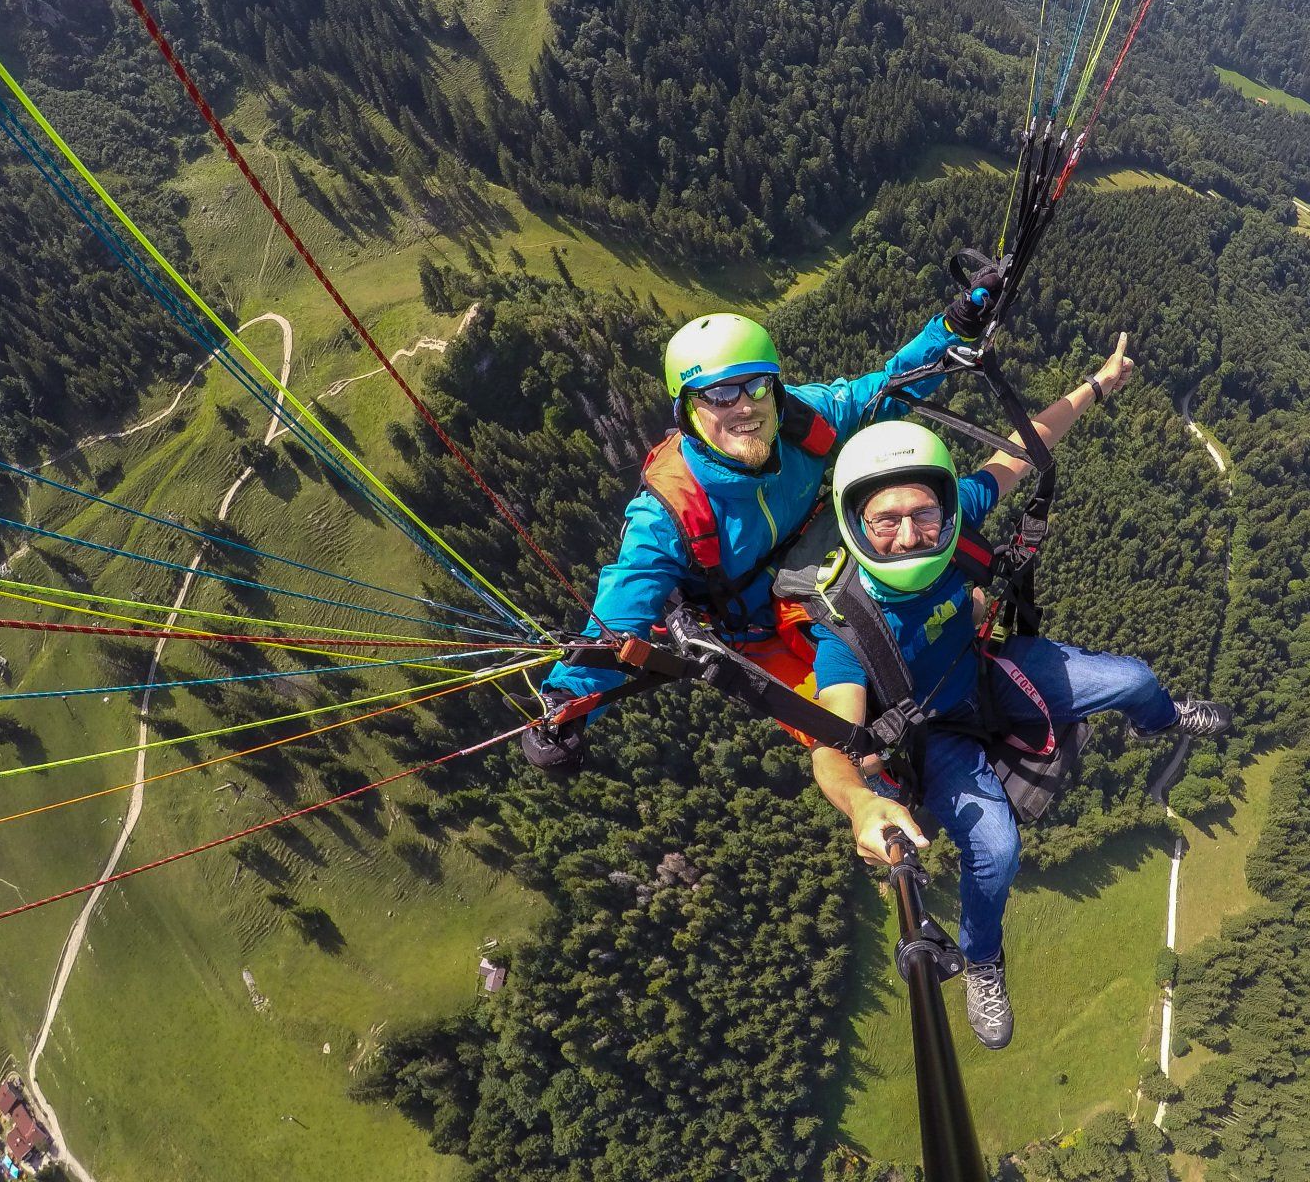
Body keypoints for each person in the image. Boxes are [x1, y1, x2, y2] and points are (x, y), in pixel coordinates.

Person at [805, 335, 1230, 1049]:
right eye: (886, 521)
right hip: (932, 737)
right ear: (857, 525)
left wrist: (1096, 384)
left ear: (943, 510)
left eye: (923, 516)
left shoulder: (956, 517)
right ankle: (982, 959)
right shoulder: (844, 624)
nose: (910, 536)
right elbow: (831, 743)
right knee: (997, 851)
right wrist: (858, 802)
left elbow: (1020, 449)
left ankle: (1159, 720)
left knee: (1134, 679)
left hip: (989, 671)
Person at [524, 273, 1001, 772]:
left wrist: (954, 328)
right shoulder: (670, 512)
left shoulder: (799, 422)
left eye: (756, 386)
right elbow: (621, 612)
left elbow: (887, 390)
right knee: (855, 742)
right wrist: (566, 707)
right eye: (719, 395)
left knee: (940, 634)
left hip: (827, 575)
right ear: (686, 411)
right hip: (756, 632)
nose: (745, 405)